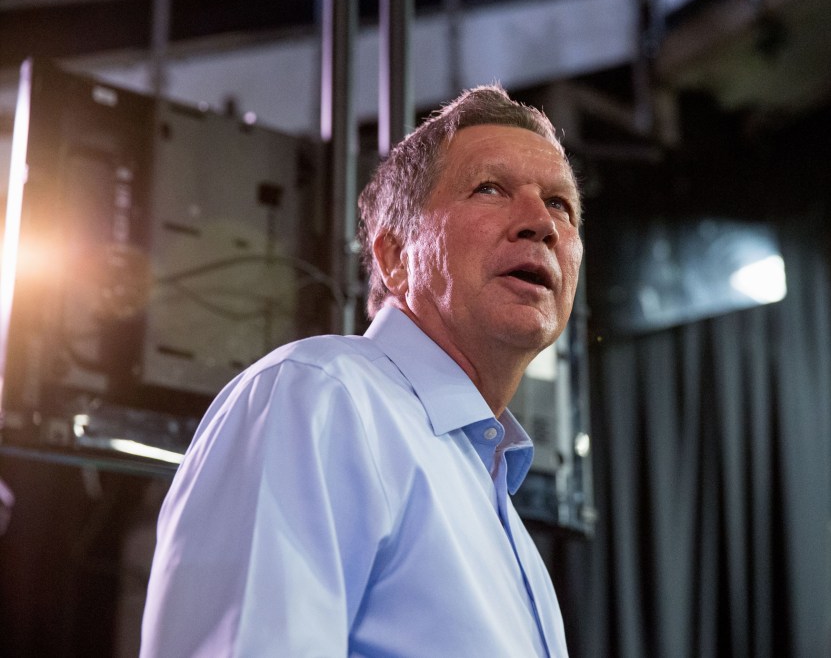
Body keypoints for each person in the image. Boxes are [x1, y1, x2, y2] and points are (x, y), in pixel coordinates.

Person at [140, 85, 583, 657]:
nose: (540, 224)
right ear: (397, 257)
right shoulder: (320, 397)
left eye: (560, 205)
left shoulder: (501, 517)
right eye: (491, 189)